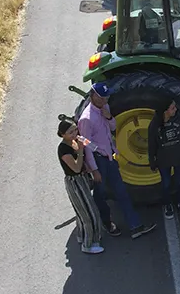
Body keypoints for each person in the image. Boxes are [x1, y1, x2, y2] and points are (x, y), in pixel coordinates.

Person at [78, 82, 157, 240]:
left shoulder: (104, 109)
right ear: (93, 96)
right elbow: (85, 144)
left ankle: (136, 226)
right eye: (102, 98)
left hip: (110, 158)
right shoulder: (86, 118)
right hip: (99, 161)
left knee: (122, 192)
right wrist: (94, 170)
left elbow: (113, 127)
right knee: (100, 196)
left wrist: (108, 116)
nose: (105, 101)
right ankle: (106, 224)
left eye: (107, 97)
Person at [57, 119, 104, 254]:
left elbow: (91, 149)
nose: (74, 134)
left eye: (75, 130)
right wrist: (81, 150)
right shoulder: (63, 148)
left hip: (83, 179)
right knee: (89, 213)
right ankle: (89, 244)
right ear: (62, 134)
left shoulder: (74, 142)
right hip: (76, 182)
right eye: (70, 132)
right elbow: (76, 168)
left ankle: (82, 235)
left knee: (82, 212)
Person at [148, 95, 180, 219]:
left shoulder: (179, 120)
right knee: (166, 183)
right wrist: (152, 160)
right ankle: (167, 204)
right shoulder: (154, 125)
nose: (175, 110)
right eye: (172, 108)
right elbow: (152, 144)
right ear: (165, 111)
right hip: (164, 160)